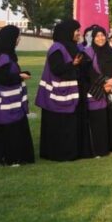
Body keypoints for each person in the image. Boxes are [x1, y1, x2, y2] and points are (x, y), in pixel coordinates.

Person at [0, 26, 35, 166]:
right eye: (17, 37)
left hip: (5, 102)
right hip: (5, 103)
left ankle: (7, 157)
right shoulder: (4, 57)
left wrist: (20, 74)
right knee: (11, 130)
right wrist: (19, 77)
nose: (19, 40)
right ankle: (11, 158)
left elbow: (6, 74)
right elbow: (2, 78)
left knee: (7, 130)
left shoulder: (1, 54)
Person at [36, 19, 84, 161]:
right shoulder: (56, 48)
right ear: (68, 32)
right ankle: (57, 153)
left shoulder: (73, 47)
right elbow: (57, 69)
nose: (79, 33)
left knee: (69, 124)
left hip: (69, 93)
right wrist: (73, 64)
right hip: (55, 95)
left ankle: (70, 152)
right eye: (77, 31)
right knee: (57, 125)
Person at [80, 26, 112, 157]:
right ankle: (99, 150)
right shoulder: (88, 52)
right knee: (98, 121)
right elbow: (88, 72)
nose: (100, 38)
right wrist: (105, 83)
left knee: (111, 120)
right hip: (96, 91)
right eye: (97, 36)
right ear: (93, 38)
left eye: (103, 35)